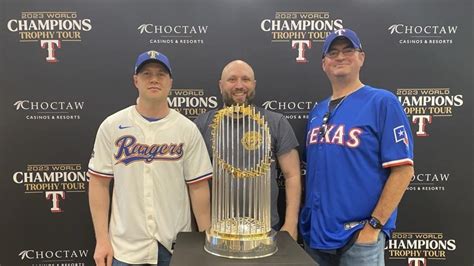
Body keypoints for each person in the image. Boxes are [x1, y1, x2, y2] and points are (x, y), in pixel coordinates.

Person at [300, 29, 414, 266]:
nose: (340, 57)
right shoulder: (317, 111)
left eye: (348, 50)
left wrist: (373, 227)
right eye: (333, 52)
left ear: (361, 57)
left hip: (359, 237)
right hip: (317, 237)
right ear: (324, 64)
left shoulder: (382, 102)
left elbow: (403, 171)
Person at [87, 50, 212, 266]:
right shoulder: (112, 125)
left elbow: (198, 187)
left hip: (175, 246)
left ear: (170, 82)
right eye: (146, 74)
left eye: (161, 74)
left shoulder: (186, 129)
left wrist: (207, 240)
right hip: (125, 247)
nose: (154, 79)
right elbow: (98, 183)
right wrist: (102, 240)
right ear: (136, 80)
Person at [194, 60, 301, 240]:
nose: (239, 85)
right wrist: (205, 229)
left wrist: (291, 223)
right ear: (221, 86)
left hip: (266, 229)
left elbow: (292, 175)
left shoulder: (276, 122)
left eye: (246, 79)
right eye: (232, 79)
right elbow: (195, 181)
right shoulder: (203, 124)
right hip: (217, 231)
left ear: (254, 85)